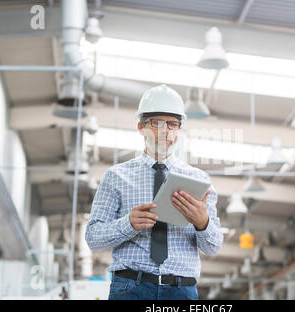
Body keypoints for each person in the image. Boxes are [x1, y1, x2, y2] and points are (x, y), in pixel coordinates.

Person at [85, 84, 223, 300]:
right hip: (130, 287)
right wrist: (128, 223)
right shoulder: (116, 176)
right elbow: (93, 238)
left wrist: (202, 222)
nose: (165, 130)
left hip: (181, 291)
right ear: (141, 127)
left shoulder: (199, 181)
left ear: (179, 129)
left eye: (172, 124)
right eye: (156, 123)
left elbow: (213, 246)